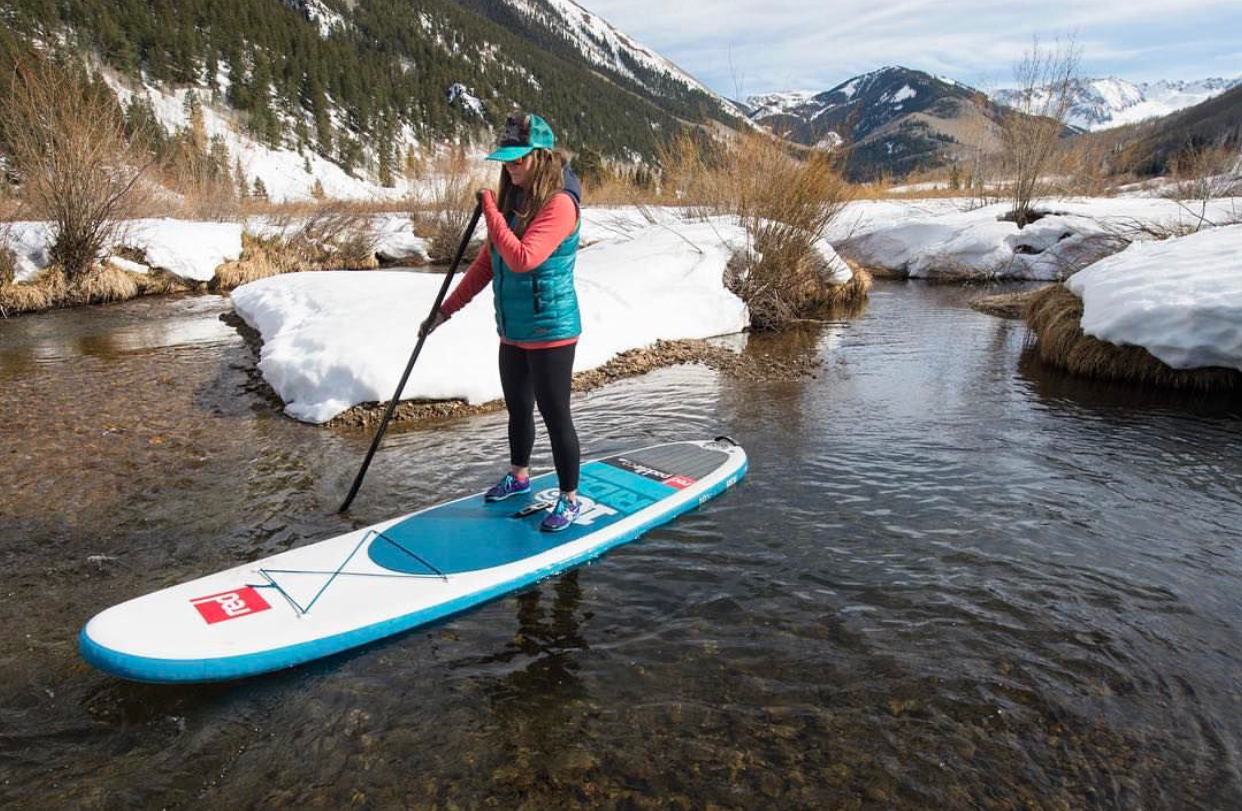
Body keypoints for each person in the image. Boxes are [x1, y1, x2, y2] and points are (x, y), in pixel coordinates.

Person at [420, 113, 584, 532]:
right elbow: (487, 264)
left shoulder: (561, 204)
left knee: (555, 414)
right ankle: (519, 475)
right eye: (506, 161)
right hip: (513, 330)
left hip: (551, 330)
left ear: (541, 156)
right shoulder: (516, 201)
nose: (509, 167)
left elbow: (523, 257)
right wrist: (444, 311)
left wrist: (490, 209)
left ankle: (569, 498)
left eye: (518, 159)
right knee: (517, 409)